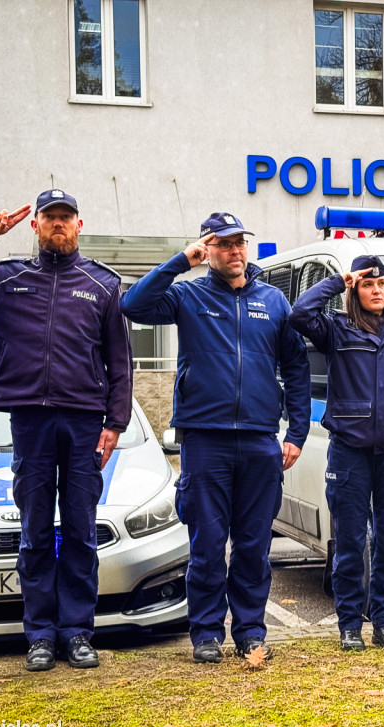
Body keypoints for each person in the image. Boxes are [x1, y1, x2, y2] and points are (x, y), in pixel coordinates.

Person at [0, 189, 133, 671]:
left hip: (84, 423)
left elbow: (120, 362)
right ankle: (40, 634)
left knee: (80, 531)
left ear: (80, 225)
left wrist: (116, 422)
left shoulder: (102, 285)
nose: (58, 224)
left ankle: (78, 632)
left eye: (66, 217)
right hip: (30, 421)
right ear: (35, 226)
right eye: (49, 217)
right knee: (35, 531)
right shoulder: (3, 280)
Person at [120, 212, 310, 664]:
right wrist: (179, 261)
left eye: (240, 242)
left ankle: (250, 632)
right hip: (206, 440)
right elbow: (134, 306)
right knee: (207, 545)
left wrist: (296, 433)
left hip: (262, 440)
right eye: (224, 244)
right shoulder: (188, 294)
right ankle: (206, 633)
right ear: (208, 250)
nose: (236, 251)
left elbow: (297, 369)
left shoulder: (273, 302)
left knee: (253, 546)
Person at [289, 256, 384, 651]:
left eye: (382, 283)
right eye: (368, 284)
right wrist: (339, 281)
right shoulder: (335, 328)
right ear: (356, 290)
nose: (377, 290)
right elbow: (300, 313)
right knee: (350, 543)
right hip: (349, 454)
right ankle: (350, 624)